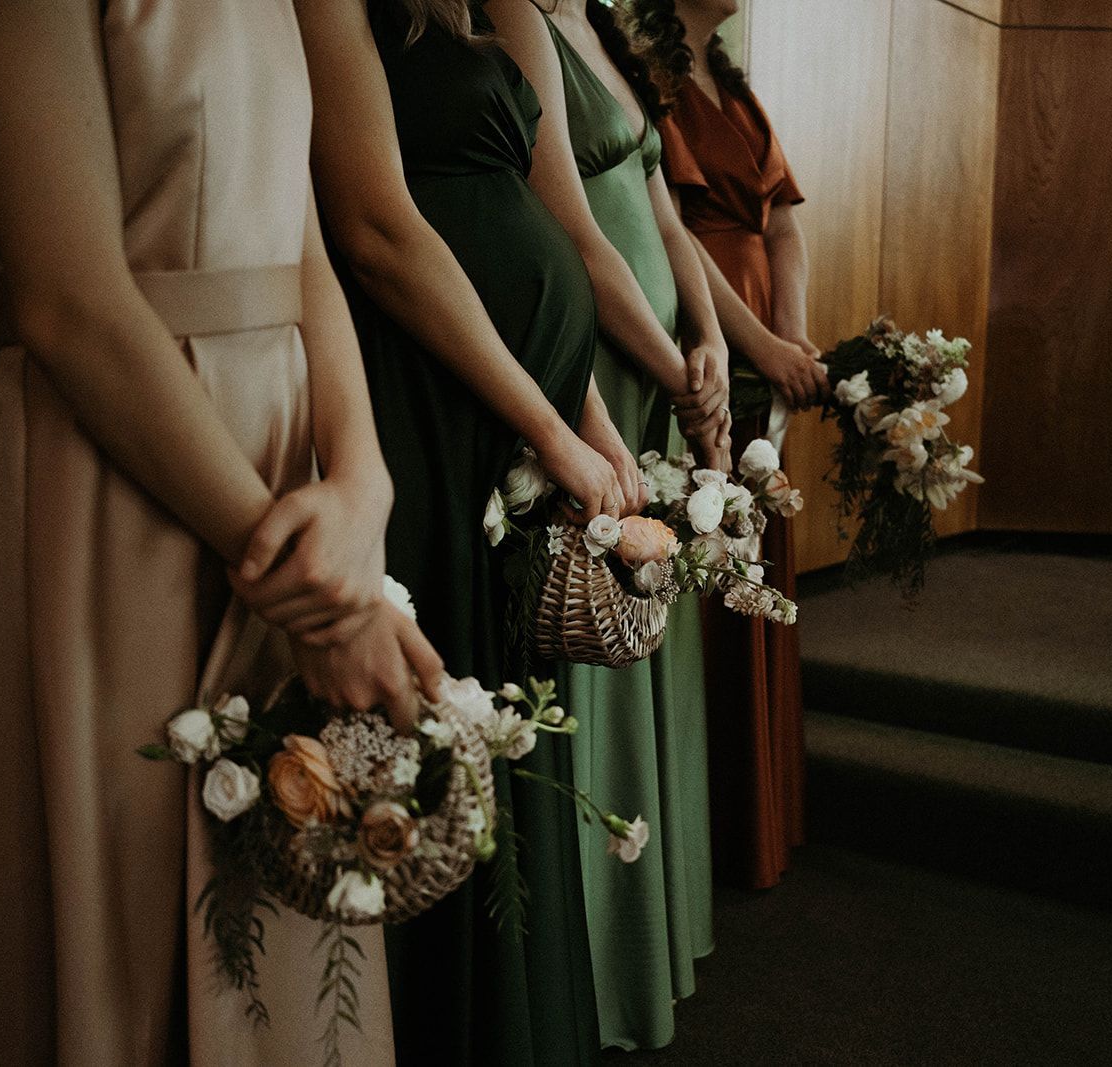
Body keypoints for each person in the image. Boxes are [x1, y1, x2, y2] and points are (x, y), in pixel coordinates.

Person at [0, 1, 446, 1063]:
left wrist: (360, 481)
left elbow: (303, 247)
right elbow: (69, 303)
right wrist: (298, 577)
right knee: (109, 915)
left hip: (282, 457)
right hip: (109, 476)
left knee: (274, 882)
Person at [296, 1, 632, 1062]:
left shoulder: (487, 8)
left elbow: (548, 233)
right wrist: (549, 421)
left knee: (506, 716)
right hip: (423, 397)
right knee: (440, 716)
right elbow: (378, 230)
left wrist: (593, 427)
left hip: (511, 413)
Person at [486, 0, 725, 1050]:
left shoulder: (598, 24)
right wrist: (676, 376)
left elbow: (664, 212)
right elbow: (571, 229)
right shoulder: (512, 11)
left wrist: (709, 340)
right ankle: (598, 957)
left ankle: (651, 932)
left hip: (664, 360)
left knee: (649, 630)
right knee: (595, 622)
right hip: (607, 372)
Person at [634, 0, 830, 890]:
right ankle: (715, 821)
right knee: (716, 550)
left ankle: (764, 812)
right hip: (703, 327)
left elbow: (782, 223)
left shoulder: (736, 88)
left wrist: (793, 339)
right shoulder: (652, 69)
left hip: (764, 341)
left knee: (759, 547)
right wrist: (753, 343)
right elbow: (668, 230)